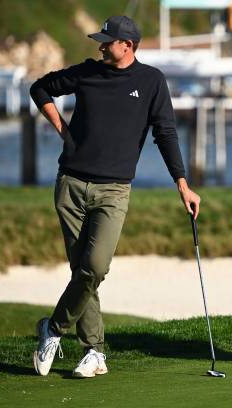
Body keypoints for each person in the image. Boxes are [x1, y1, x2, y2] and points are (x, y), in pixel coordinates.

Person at [29, 15, 200, 378]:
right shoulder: (87, 72)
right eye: (101, 40)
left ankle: (53, 329)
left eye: (108, 41)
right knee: (82, 272)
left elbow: (165, 133)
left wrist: (182, 184)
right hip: (71, 186)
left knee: (95, 267)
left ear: (129, 46)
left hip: (113, 190)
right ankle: (94, 352)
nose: (101, 45)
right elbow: (40, 89)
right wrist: (63, 130)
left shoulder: (152, 81)